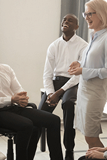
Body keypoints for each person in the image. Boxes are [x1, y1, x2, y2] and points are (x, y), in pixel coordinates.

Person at [0, 36, 63, 160]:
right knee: (28, 125)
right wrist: (12, 99)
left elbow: (18, 90)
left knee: (54, 120)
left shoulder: (6, 69)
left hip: (14, 108)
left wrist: (22, 98)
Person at [68, 0, 107, 148]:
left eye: (90, 13)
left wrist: (83, 70)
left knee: (91, 136)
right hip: (84, 90)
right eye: (86, 14)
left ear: (102, 14)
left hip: (95, 92)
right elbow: (92, 64)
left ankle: (106, 157)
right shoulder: (93, 37)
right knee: (87, 135)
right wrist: (80, 65)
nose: (87, 18)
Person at [39, 14, 88, 160]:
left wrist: (60, 92)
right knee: (39, 113)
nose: (65, 22)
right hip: (56, 82)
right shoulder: (54, 45)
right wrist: (50, 93)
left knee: (68, 103)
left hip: (73, 83)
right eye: (64, 20)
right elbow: (47, 74)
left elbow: (78, 75)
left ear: (76, 27)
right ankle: (29, 150)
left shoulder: (83, 45)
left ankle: (69, 149)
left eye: (70, 21)